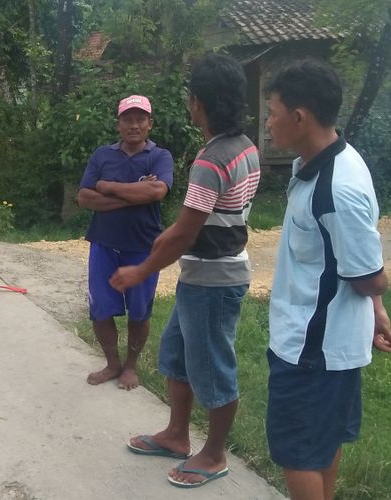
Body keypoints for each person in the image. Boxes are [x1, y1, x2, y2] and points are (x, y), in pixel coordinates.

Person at [109, 53, 260, 488]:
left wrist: (141, 270)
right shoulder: (244, 146)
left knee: (213, 369)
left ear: (198, 102)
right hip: (204, 276)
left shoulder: (212, 159)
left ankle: (213, 454)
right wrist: (171, 233)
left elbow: (186, 234)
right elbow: (204, 216)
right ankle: (176, 435)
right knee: (175, 357)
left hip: (214, 281)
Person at [264, 59, 390, 500]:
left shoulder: (338, 188)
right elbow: (347, 260)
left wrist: (376, 300)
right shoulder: (318, 162)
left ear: (300, 117)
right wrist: (374, 310)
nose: (268, 123)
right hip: (325, 345)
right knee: (320, 444)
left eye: (273, 111)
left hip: (311, 351)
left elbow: (371, 278)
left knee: (298, 455)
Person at [76, 95, 173, 390]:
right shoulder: (102, 156)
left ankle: (130, 366)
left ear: (149, 124)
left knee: (139, 310)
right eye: (127, 119)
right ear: (118, 125)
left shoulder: (160, 157)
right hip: (104, 244)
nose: (134, 125)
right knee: (101, 308)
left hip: (143, 247)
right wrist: (133, 196)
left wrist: (107, 187)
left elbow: (157, 192)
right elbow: (83, 197)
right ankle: (112, 363)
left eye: (140, 119)